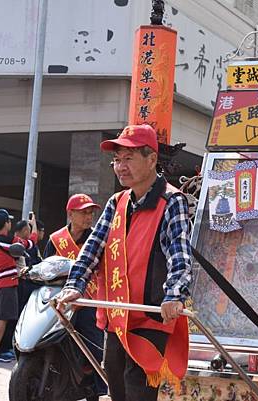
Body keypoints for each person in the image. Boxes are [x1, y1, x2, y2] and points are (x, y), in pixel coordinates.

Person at [56, 124, 193, 401]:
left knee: (138, 388)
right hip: (116, 317)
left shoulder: (171, 201)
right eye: (117, 160)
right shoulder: (116, 201)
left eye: (128, 158)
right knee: (116, 386)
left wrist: (174, 294)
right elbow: (92, 248)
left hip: (149, 316)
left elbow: (179, 253)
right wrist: (75, 285)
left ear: (151, 159)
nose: (120, 167)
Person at [44, 193, 105, 396]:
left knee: (96, 352)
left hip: (89, 303)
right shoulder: (55, 240)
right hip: (62, 304)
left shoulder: (96, 240)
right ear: (70, 214)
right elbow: (46, 271)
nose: (89, 217)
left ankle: (98, 392)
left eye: (91, 213)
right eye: (84, 213)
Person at [0, 209, 36, 362]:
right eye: (9, 221)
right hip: (7, 283)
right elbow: (30, 244)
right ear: (6, 223)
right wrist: (33, 227)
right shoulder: (10, 241)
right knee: (3, 318)